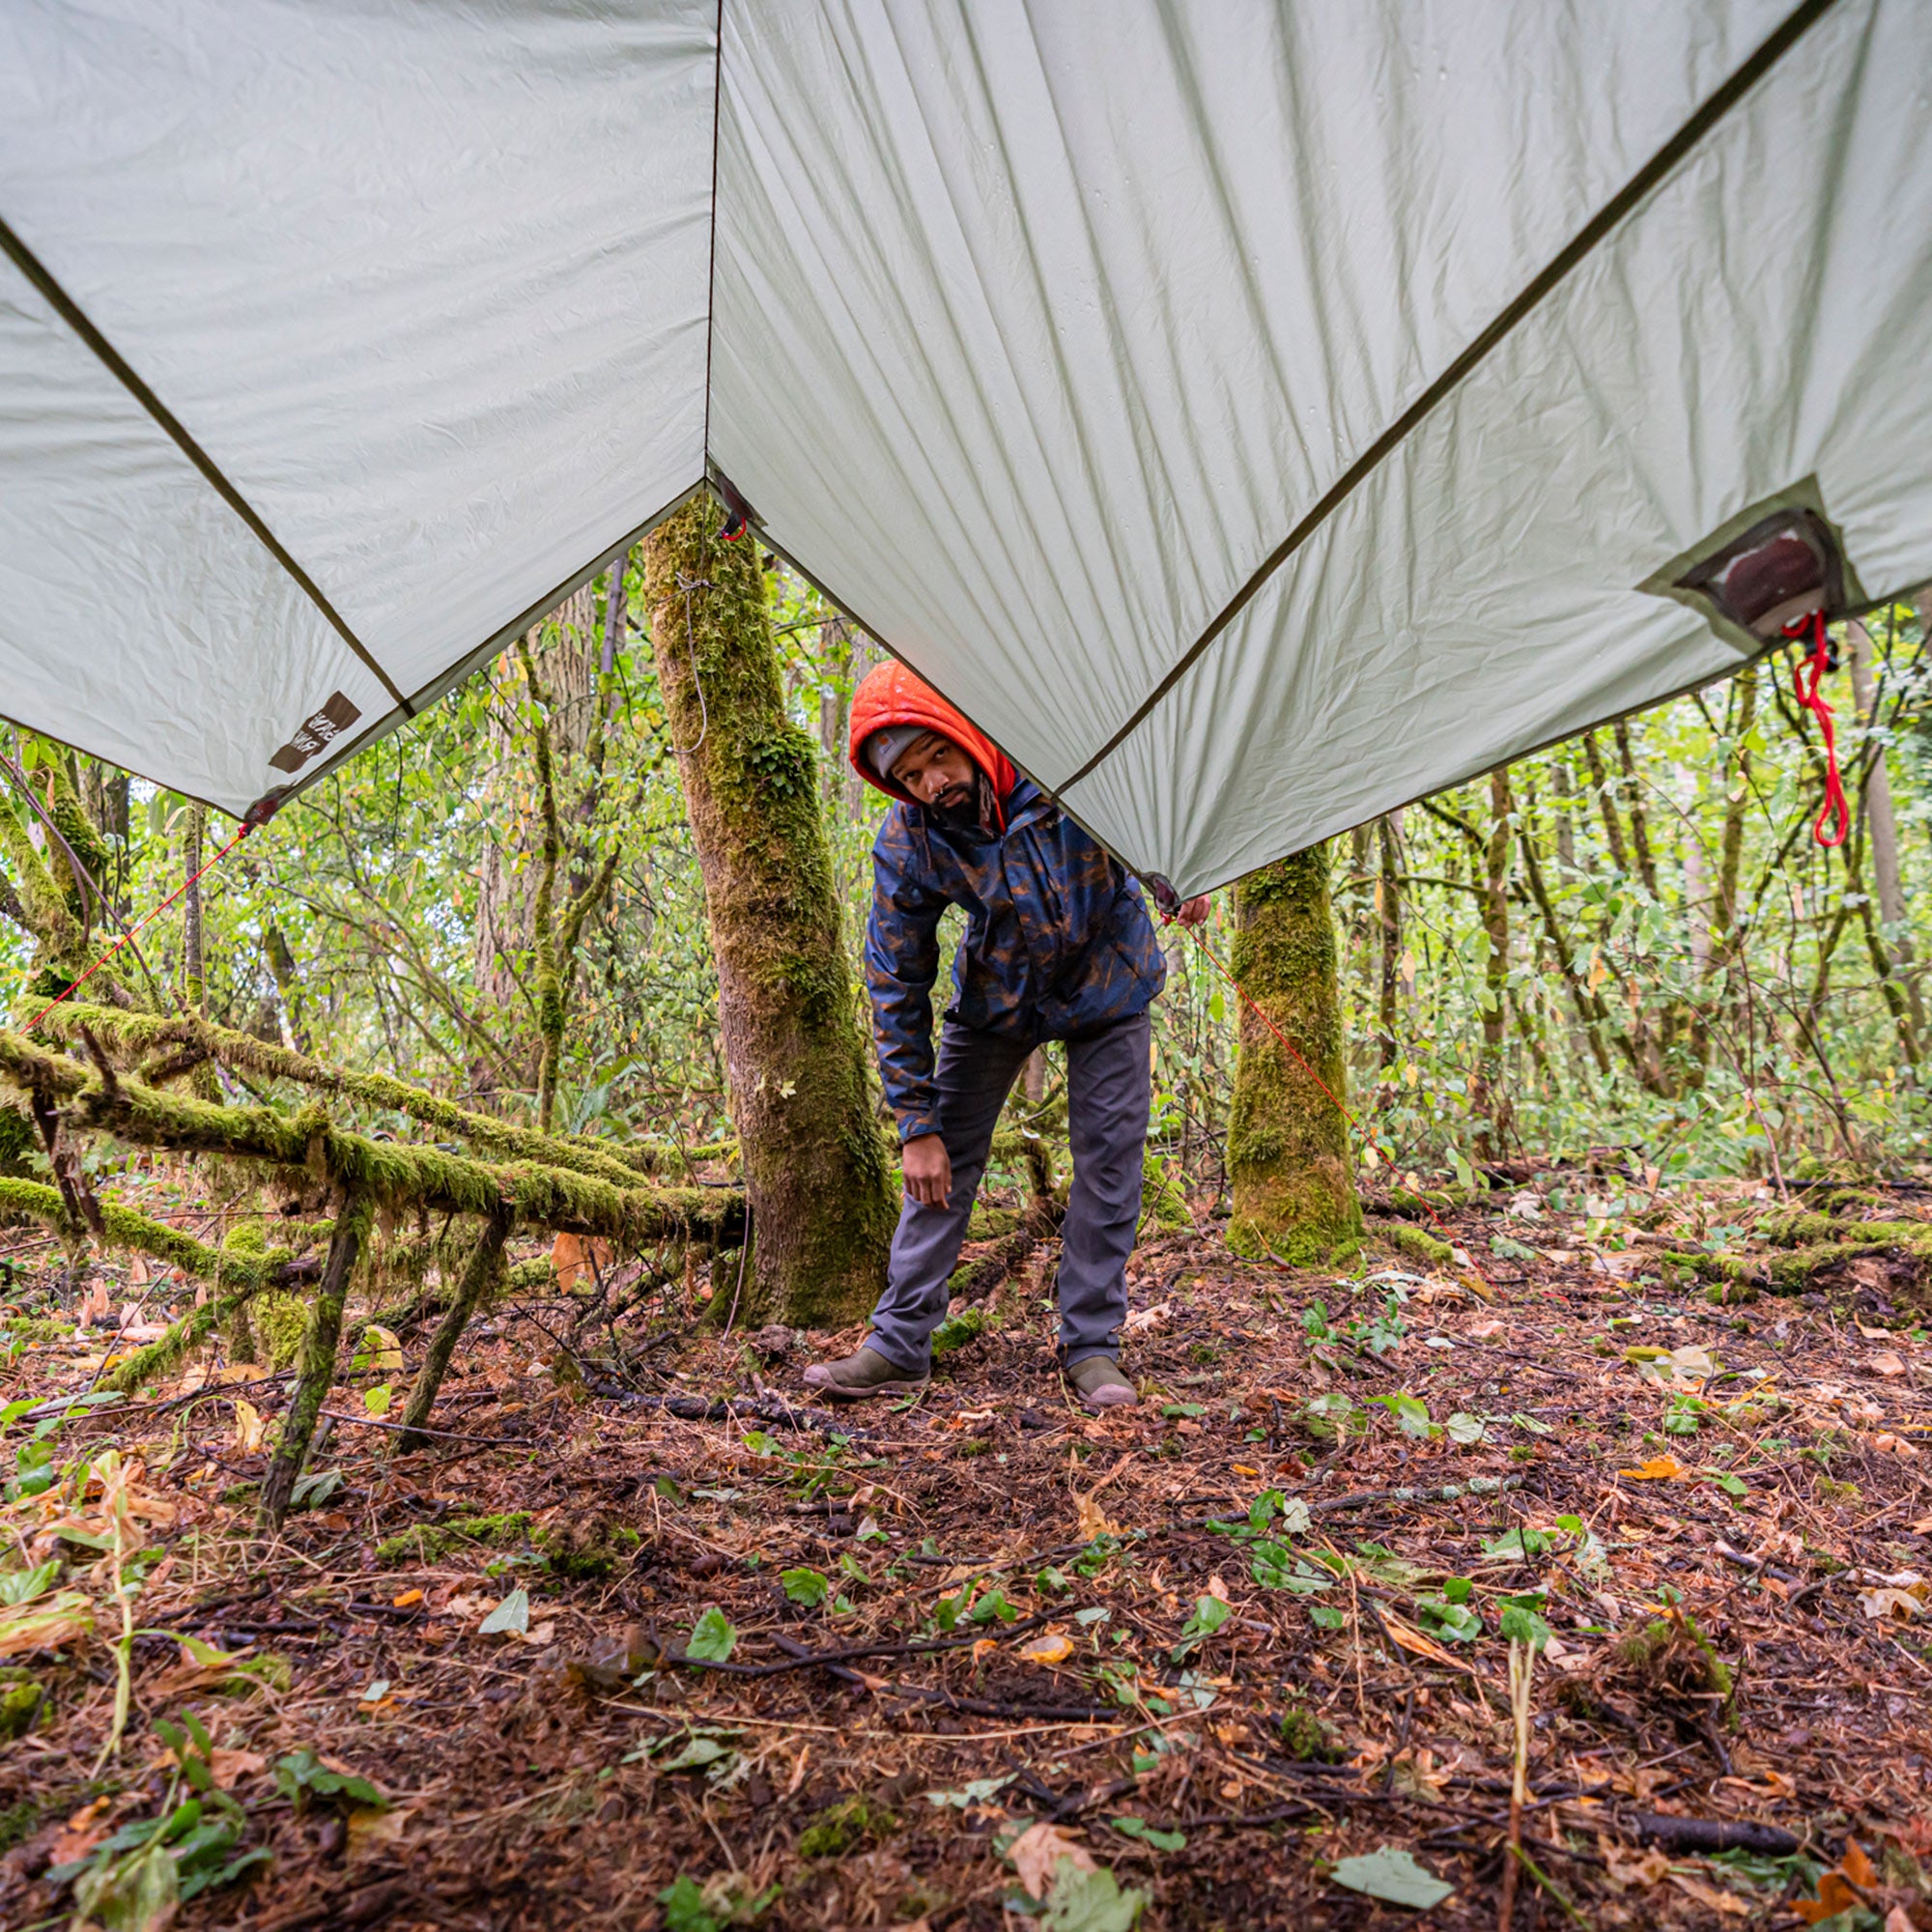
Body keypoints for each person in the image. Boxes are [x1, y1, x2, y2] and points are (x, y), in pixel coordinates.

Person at [803, 662, 1207, 1410]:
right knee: (938, 1163)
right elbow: (895, 978)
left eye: (938, 757)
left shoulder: (1065, 762)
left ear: (965, 733)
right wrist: (915, 1125)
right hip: (998, 998)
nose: (931, 782)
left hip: (1110, 981)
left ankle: (1091, 1347)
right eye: (910, 775)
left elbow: (1161, 806)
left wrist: (1187, 871)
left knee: (1110, 1163)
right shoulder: (911, 841)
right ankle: (897, 1346)